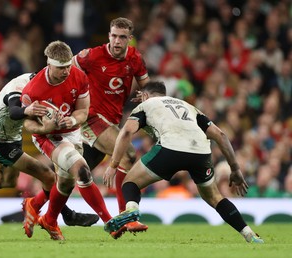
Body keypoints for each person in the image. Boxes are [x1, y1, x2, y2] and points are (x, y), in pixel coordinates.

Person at [103, 81, 264, 243]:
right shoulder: (188, 106)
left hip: (170, 149)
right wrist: (235, 169)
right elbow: (220, 135)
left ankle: (132, 211)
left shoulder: (146, 105)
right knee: (215, 197)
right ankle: (249, 234)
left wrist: (113, 165)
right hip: (201, 152)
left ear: (144, 96)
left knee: (130, 182)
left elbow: (126, 132)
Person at [0, 72, 99, 235]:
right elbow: (14, 111)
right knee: (48, 176)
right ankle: (67, 215)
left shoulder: (39, 83)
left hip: (11, 137)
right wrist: (29, 110)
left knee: (6, 181)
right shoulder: (18, 87)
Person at [21, 40, 113, 240]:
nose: (65, 71)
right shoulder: (33, 90)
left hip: (72, 131)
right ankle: (110, 222)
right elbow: (28, 125)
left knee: (66, 183)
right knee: (81, 169)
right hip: (48, 137)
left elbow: (82, 110)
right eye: (60, 68)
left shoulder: (78, 76)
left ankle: (46, 216)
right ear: (49, 64)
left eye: (67, 66)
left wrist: (71, 120)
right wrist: (45, 127)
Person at [73, 17, 149, 213]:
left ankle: (37, 205)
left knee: (73, 174)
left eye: (122, 37)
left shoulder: (134, 59)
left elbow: (148, 87)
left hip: (112, 122)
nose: (117, 41)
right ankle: (125, 215)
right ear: (109, 36)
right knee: (128, 154)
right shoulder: (92, 56)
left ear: (129, 39)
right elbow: (68, 71)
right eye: (114, 36)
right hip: (91, 118)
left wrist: (147, 95)